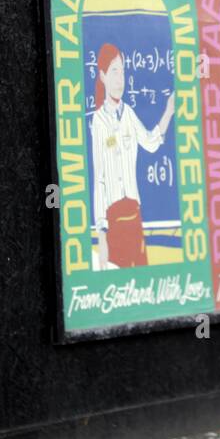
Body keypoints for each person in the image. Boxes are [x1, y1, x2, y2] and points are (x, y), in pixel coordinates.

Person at [90, 42, 174, 269]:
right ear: (103, 76)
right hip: (113, 220)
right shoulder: (98, 122)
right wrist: (102, 234)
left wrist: (168, 111)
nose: (120, 79)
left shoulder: (129, 114)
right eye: (114, 71)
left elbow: (151, 143)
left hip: (134, 216)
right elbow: (99, 179)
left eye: (123, 72)